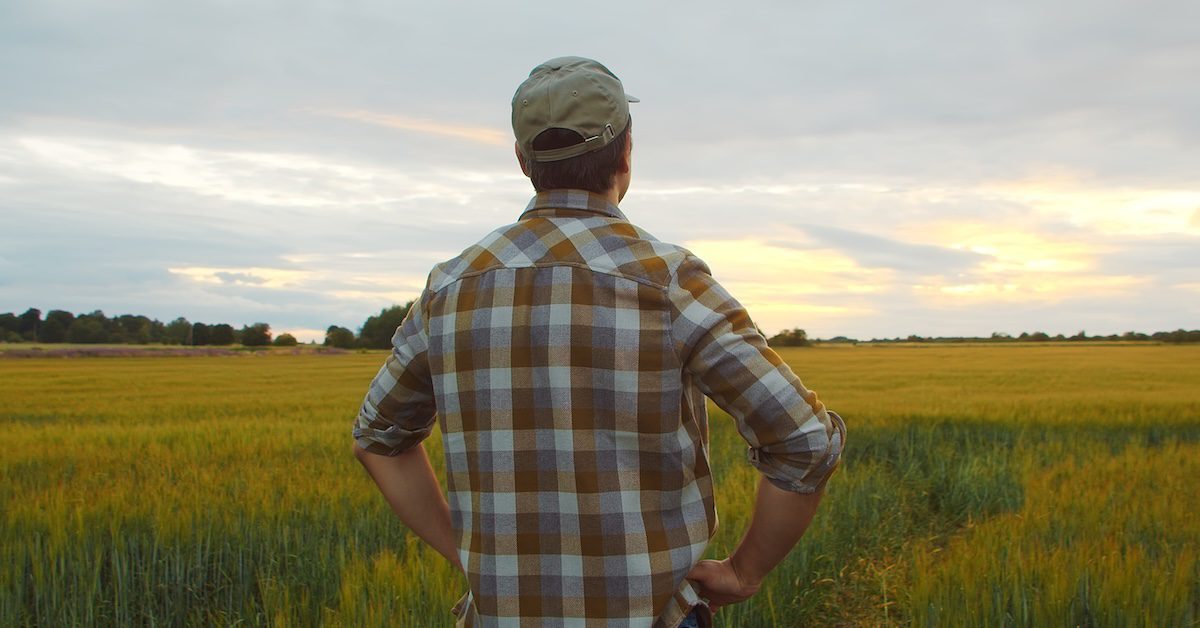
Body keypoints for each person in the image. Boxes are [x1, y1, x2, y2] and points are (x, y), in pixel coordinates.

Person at [352, 56, 846, 628]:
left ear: (522, 159)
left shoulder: (450, 288)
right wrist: (744, 571)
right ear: (627, 152)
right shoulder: (668, 281)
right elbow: (806, 441)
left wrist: (468, 556)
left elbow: (378, 438)